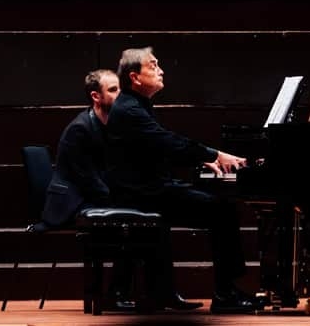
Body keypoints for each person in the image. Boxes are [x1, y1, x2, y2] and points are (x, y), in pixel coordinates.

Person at [106, 47, 260, 314]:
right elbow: (167, 142)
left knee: (218, 206)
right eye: (153, 66)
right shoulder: (130, 109)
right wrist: (215, 154)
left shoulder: (135, 105)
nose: (161, 70)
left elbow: (160, 145)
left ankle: (168, 293)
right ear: (135, 77)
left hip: (147, 188)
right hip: (142, 193)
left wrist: (201, 159)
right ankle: (226, 295)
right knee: (222, 211)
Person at [41, 69, 134, 310]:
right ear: (96, 96)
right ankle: (115, 295)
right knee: (131, 223)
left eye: (120, 89)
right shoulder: (79, 129)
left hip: (92, 195)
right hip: (73, 201)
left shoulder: (114, 124)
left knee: (139, 218)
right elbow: (88, 180)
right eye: (113, 90)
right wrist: (122, 199)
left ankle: (127, 293)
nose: (120, 94)